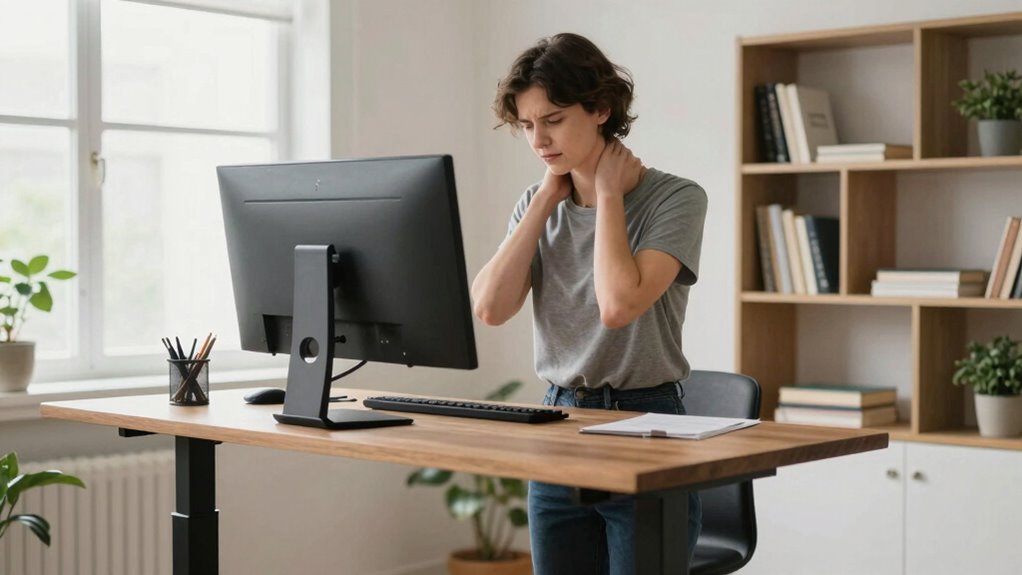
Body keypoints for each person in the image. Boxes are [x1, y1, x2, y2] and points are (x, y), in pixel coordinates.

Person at [470, 32, 708, 575]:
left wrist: (608, 195)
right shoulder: (538, 200)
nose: (538, 139)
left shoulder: (677, 198)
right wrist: (545, 201)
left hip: (648, 424)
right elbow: (490, 307)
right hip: (557, 423)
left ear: (600, 108)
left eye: (552, 120)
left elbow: (619, 305)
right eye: (528, 125)